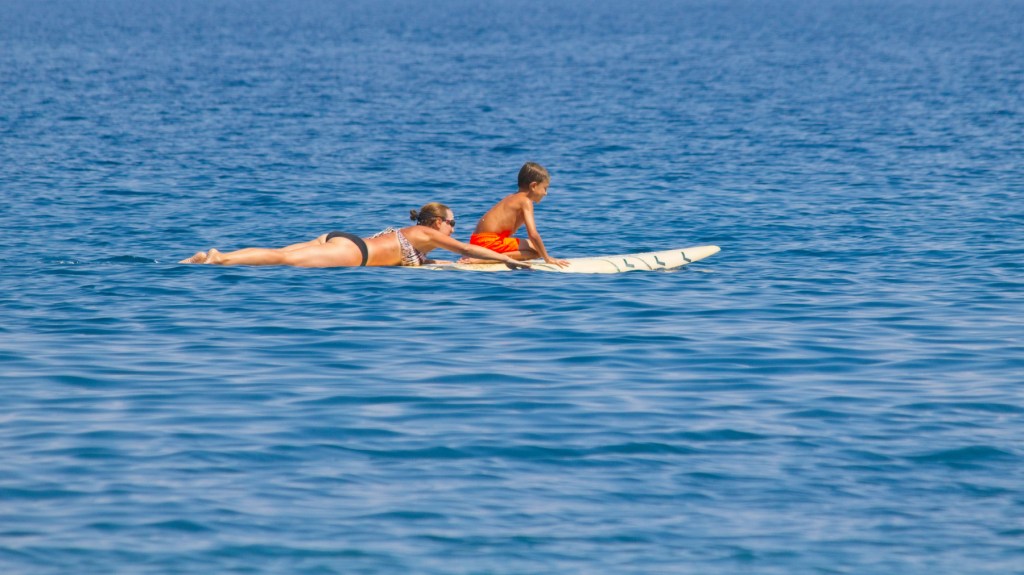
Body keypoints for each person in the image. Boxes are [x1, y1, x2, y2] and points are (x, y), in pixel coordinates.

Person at [179, 202, 530, 269]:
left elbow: (425, 259)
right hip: (353, 254)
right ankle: (219, 258)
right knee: (284, 259)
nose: (454, 227)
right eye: (452, 222)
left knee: (281, 251)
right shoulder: (429, 233)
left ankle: (217, 256)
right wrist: (507, 260)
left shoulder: (419, 236)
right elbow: (467, 247)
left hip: (342, 239)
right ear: (437, 222)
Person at [463, 162, 569, 267]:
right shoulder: (526, 201)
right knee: (537, 251)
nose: (545, 193)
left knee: (535, 247)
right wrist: (547, 258)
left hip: (476, 240)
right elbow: (533, 234)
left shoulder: (512, 197)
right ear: (533, 186)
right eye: (545, 188)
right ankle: (483, 259)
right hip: (489, 242)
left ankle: (483, 255)